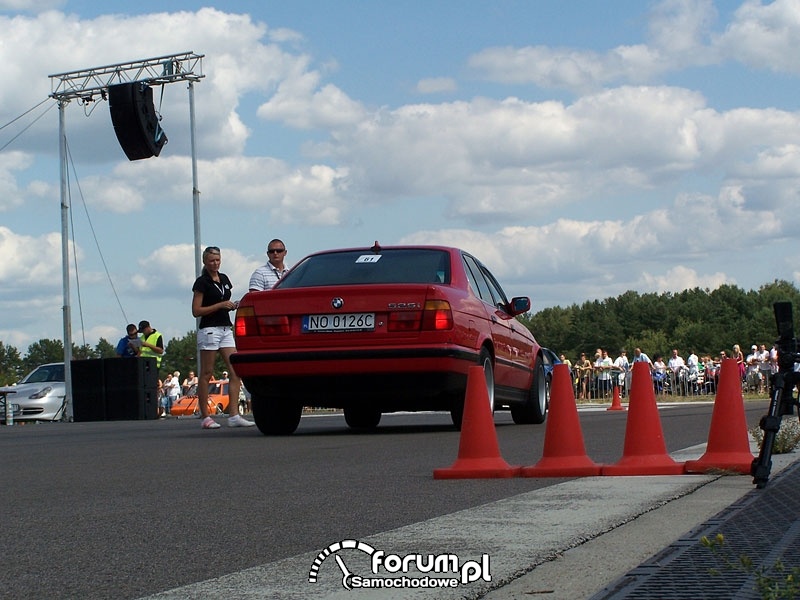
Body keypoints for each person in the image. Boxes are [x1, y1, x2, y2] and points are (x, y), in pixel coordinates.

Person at [192, 245, 254, 429]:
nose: (215, 263)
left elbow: (225, 300)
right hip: (210, 329)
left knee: (235, 370)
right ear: (205, 261)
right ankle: (205, 416)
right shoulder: (202, 282)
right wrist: (219, 305)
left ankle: (234, 414)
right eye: (211, 260)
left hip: (226, 328)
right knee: (206, 373)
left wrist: (232, 305)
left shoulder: (224, 279)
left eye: (217, 260)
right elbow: (196, 311)